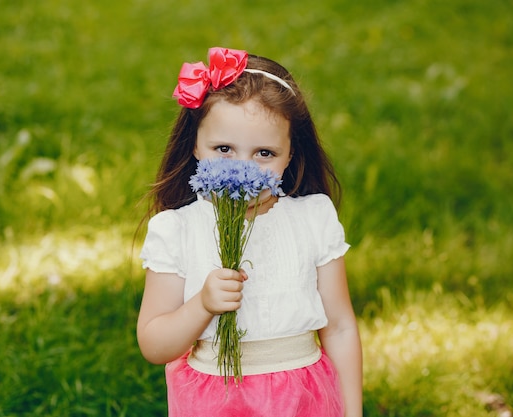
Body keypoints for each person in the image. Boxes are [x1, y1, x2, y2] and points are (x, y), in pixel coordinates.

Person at [136, 47, 362, 417]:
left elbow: (338, 327)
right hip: (214, 402)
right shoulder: (176, 229)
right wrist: (202, 305)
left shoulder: (313, 218)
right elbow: (154, 344)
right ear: (195, 144)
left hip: (302, 401)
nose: (243, 169)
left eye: (265, 153)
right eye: (223, 148)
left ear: (291, 154)